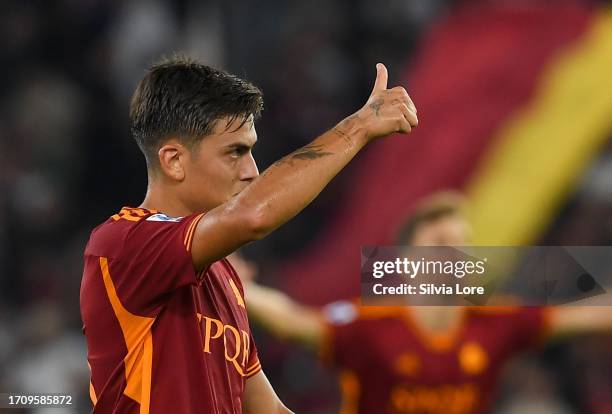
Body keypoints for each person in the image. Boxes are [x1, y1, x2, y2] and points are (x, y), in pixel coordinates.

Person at [79, 54, 418, 414]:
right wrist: (359, 127)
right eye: (235, 152)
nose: (252, 171)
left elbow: (268, 409)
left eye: (251, 151)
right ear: (173, 160)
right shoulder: (123, 245)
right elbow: (253, 215)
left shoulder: (224, 276)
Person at [240, 191, 612, 414]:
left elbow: (589, 317)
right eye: (438, 244)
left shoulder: (495, 321)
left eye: (460, 244)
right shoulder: (370, 325)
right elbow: (291, 321)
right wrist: (237, 285)